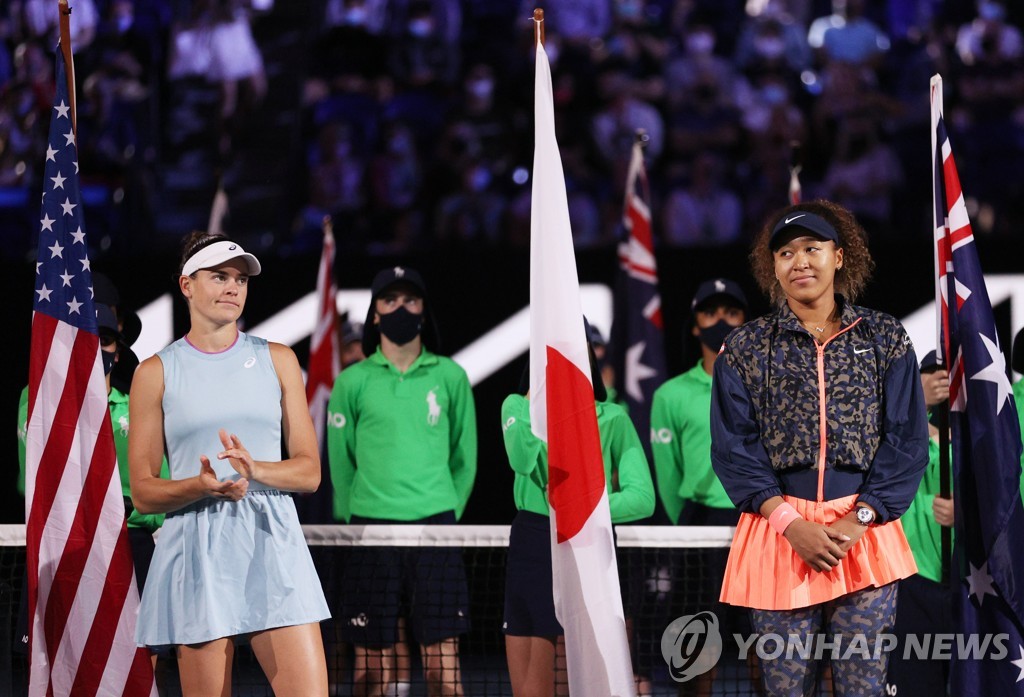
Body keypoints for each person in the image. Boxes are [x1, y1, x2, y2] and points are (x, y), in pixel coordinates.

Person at [711, 200, 929, 696]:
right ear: (773, 267)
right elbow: (732, 449)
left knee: (864, 689)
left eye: (812, 248)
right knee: (786, 691)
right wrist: (792, 525)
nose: (800, 262)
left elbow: (907, 440)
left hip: (865, 535)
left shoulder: (886, 337)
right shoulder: (744, 347)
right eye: (785, 253)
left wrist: (860, 520)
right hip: (779, 534)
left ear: (840, 256)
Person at [128, 231, 330, 697]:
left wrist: (254, 469)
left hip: (272, 543)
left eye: (240, 278)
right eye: (219, 276)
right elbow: (143, 490)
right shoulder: (154, 373)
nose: (233, 287)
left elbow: (309, 472)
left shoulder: (278, 360)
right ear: (187, 285)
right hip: (195, 549)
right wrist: (202, 486)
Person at [327, 266, 476, 697]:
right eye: (389, 300)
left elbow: (464, 458)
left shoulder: (450, 376)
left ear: (423, 310)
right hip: (371, 532)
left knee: (443, 675)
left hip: (435, 529)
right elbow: (342, 463)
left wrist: (445, 509)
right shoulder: (351, 381)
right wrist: (361, 509)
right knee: (369, 675)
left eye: (410, 300)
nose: (400, 308)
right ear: (375, 314)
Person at [501, 322, 654, 697]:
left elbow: (642, 498)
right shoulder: (516, 406)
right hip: (532, 540)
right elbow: (522, 460)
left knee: (580, 683)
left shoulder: (613, 417)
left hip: (585, 544)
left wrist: (584, 509)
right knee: (528, 690)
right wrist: (534, 400)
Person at [650, 277, 753, 696]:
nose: (720, 321)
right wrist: (689, 524)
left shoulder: (767, 385)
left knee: (762, 639)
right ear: (695, 325)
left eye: (730, 313)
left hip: (756, 520)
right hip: (697, 526)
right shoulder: (669, 395)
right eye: (710, 313)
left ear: (745, 320)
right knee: (696, 645)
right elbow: (668, 476)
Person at [886, 350, 954, 696]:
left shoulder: (987, 441)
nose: (941, 384)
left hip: (972, 584)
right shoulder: (896, 435)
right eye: (929, 377)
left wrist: (966, 512)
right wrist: (919, 404)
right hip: (911, 581)